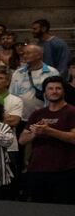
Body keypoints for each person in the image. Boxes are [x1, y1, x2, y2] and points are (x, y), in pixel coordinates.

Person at [21, 76, 75, 204]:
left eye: (58, 88)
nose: (54, 91)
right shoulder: (37, 114)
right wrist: (35, 133)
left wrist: (48, 131)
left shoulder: (72, 112)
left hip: (65, 171)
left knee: (64, 211)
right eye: (50, 89)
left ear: (64, 91)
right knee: (39, 211)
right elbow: (22, 139)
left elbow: (73, 138)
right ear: (45, 93)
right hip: (38, 170)